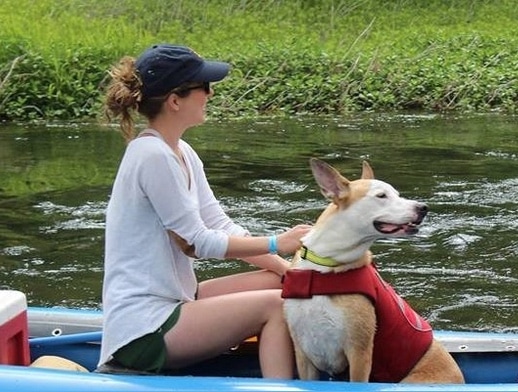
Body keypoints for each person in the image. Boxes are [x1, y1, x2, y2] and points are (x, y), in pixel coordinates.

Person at [98, 44, 311, 379]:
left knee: (280, 282)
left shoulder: (181, 150)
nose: (210, 93)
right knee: (278, 307)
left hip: (175, 300)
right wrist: (276, 242)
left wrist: (288, 270)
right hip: (145, 328)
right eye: (204, 86)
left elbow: (218, 224)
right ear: (175, 100)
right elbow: (195, 244)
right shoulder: (153, 156)